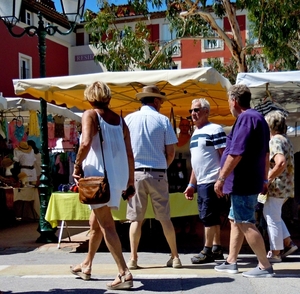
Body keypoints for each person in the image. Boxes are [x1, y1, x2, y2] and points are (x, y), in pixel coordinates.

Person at [70, 81, 135, 290]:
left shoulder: (90, 114)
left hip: (96, 180)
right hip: (116, 178)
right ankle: (87, 264)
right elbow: (129, 153)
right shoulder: (120, 120)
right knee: (95, 223)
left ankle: (124, 273)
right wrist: (130, 181)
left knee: (107, 225)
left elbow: (85, 142)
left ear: (89, 97)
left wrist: (77, 166)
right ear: (108, 97)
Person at [214, 84, 274, 278]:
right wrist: (264, 178)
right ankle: (231, 261)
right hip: (250, 179)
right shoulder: (259, 118)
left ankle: (265, 266)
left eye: (229, 102)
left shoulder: (246, 118)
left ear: (234, 101)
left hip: (242, 181)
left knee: (245, 222)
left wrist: (221, 178)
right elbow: (265, 154)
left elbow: (236, 152)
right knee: (235, 220)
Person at [124, 85, 182, 269]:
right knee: (165, 217)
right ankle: (175, 257)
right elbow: (171, 153)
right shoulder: (163, 120)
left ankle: (133, 259)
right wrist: (163, 166)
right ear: (155, 101)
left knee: (135, 219)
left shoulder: (128, 120)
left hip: (135, 174)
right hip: (158, 172)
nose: (162, 105)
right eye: (161, 102)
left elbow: (124, 150)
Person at [184, 98, 227, 264]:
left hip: (212, 180)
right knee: (212, 217)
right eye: (191, 111)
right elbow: (197, 162)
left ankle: (207, 250)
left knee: (208, 216)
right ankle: (216, 248)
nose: (193, 114)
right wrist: (191, 184)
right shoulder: (195, 133)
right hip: (202, 181)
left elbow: (224, 155)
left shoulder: (215, 129)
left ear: (206, 112)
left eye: (196, 110)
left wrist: (222, 179)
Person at [263, 110, 298, 262]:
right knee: (272, 214)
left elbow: (280, 162)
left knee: (271, 217)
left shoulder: (275, 140)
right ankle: (288, 243)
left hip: (277, 186)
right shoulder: (285, 139)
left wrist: (267, 179)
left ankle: (276, 252)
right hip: (286, 185)